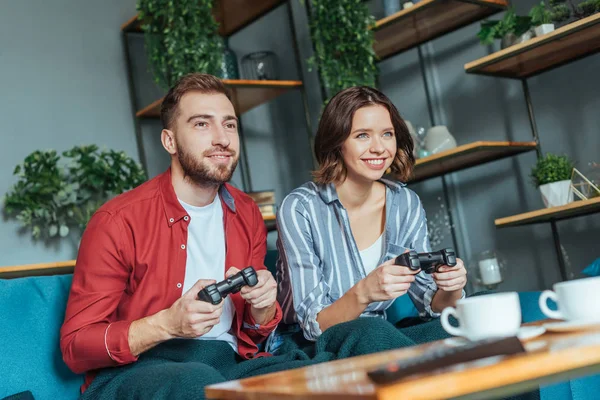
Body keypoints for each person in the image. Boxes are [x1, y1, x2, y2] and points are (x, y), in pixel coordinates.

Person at [60, 75, 414, 400]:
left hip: (227, 362)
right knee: (193, 382)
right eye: (201, 124)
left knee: (316, 378)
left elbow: (254, 334)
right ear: (169, 140)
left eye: (229, 124)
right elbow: (76, 346)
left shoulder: (245, 213)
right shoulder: (118, 221)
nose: (222, 138)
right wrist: (165, 323)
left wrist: (262, 310)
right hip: (141, 370)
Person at [275, 86, 468, 343]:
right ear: (337, 143)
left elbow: (429, 304)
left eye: (387, 134)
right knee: (373, 333)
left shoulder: (405, 203)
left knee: (475, 316)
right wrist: (365, 291)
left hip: (378, 337)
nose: (379, 148)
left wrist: (451, 287)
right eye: (362, 135)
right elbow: (314, 326)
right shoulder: (300, 208)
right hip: (310, 343)